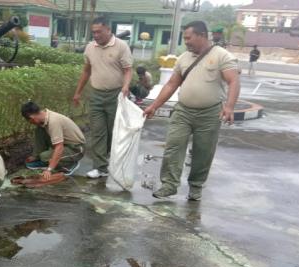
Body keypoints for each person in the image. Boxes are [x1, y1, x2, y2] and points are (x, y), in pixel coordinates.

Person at [142, 21, 240, 201]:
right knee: (173, 146)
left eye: (188, 37)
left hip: (209, 113)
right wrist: (154, 106)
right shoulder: (184, 58)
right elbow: (172, 84)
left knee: (203, 152)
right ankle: (169, 185)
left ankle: (196, 186)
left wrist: (229, 107)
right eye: (184, 38)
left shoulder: (222, 56)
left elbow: (233, 81)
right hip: (183, 111)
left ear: (202, 35)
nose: (185, 41)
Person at [73, 16, 133, 179]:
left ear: (108, 29)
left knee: (113, 131)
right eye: (93, 32)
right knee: (98, 131)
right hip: (96, 95)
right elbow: (86, 71)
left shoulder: (121, 46)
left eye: (99, 31)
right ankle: (100, 167)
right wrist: (78, 92)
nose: (96, 35)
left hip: (116, 95)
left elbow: (128, 69)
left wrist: (126, 86)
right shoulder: (90, 48)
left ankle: (110, 159)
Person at [21, 101, 86, 178]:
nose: (31, 123)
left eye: (30, 121)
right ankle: (41, 158)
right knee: (40, 129)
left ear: (32, 117)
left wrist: (49, 169)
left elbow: (59, 147)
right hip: (65, 144)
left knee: (45, 156)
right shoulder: (45, 117)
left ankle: (70, 165)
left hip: (76, 149)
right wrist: (35, 156)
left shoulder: (53, 121)